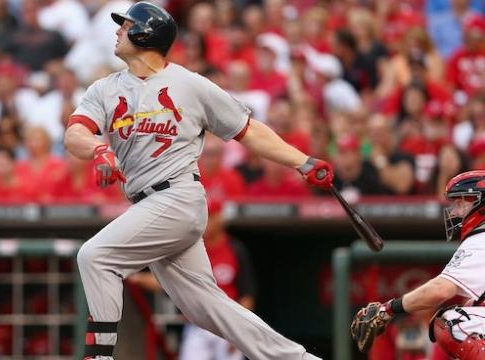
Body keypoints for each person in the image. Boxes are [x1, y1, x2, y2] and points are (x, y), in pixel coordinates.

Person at [64, 2, 332, 359]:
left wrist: (302, 161)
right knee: (206, 308)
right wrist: (99, 149)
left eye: (125, 25)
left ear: (146, 33)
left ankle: (98, 356)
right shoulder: (105, 88)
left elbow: (247, 131)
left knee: (95, 256)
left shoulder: (190, 85)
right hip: (149, 204)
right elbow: (74, 134)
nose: (117, 31)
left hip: (177, 196)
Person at [351, 170, 485, 358]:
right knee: (474, 306)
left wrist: (387, 309)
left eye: (461, 203)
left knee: (450, 322)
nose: (454, 212)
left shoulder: (480, 239)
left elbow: (440, 290)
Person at [130, 200, 257, 360]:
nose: (205, 222)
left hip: (226, 325)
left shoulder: (235, 249)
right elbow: (166, 281)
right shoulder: (189, 249)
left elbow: (247, 296)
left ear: (220, 219)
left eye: (209, 216)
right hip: (197, 326)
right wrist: (134, 276)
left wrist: (239, 329)